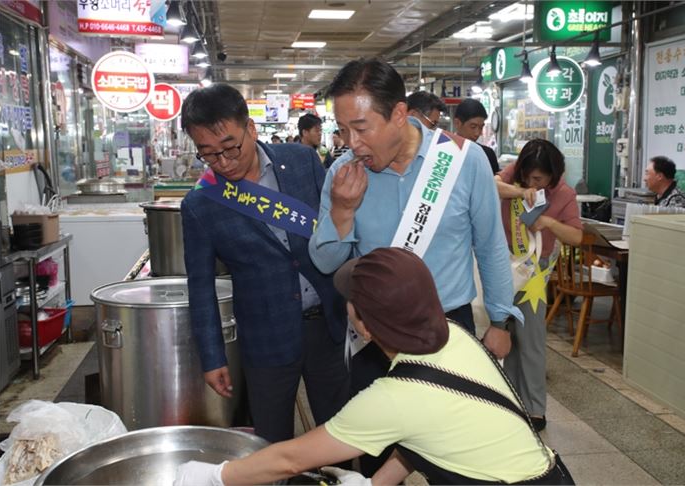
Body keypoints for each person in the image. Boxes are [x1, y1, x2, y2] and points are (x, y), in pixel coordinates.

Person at [174, 248, 573, 486]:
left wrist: (215, 476)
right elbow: (429, 434)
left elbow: (290, 460)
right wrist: (376, 482)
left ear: (365, 326)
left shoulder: (392, 398)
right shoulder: (454, 334)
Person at [308, 58, 522, 473]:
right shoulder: (342, 173)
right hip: (374, 336)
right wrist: (341, 210)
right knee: (374, 459)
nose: (351, 142)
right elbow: (325, 261)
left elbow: (491, 245)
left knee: (455, 457)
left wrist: (500, 321)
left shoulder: (465, 160)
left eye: (361, 127)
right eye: (343, 129)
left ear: (399, 114)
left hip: (450, 330)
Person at [179, 83, 349, 444]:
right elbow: (201, 287)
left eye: (229, 148)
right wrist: (212, 357)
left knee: (339, 435)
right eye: (208, 155)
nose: (223, 163)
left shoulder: (303, 162)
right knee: (270, 445)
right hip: (266, 338)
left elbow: (335, 230)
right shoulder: (200, 205)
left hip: (328, 326)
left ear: (251, 129)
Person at [494, 139, 583, 432]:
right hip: (500, 265)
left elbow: (576, 237)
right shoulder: (514, 175)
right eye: (528, 176)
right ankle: (507, 400)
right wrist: (521, 191)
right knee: (499, 336)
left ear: (553, 175)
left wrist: (548, 222)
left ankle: (534, 408)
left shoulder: (564, 193)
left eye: (539, 179)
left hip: (533, 273)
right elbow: (491, 185)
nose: (533, 181)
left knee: (529, 340)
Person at [453, 98, 500, 174]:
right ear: (457, 123)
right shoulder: (443, 153)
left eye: (481, 127)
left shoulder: (487, 155)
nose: (477, 133)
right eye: (473, 127)